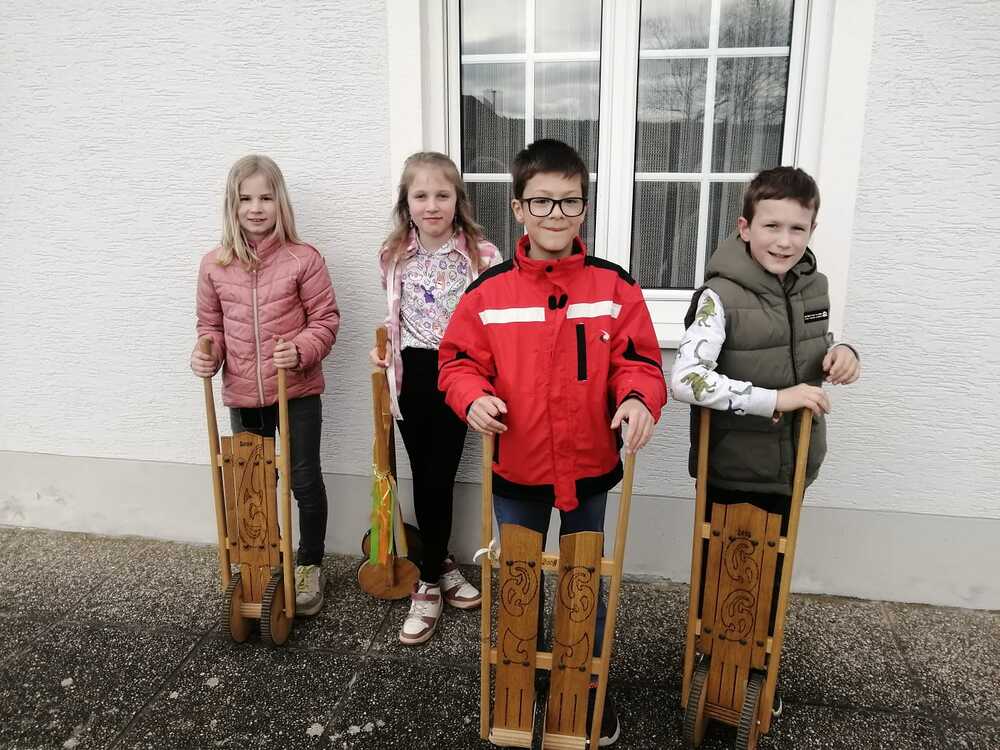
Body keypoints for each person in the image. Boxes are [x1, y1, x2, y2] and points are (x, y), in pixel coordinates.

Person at [439, 139, 667, 746]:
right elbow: (457, 363)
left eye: (570, 202)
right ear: (518, 208)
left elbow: (640, 363)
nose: (556, 214)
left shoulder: (614, 288)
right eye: (541, 201)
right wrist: (472, 396)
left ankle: (583, 681)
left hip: (590, 466)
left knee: (582, 579)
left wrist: (638, 399)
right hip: (517, 467)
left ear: (584, 207)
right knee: (518, 577)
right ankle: (518, 677)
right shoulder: (488, 293)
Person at [669, 165, 861, 715]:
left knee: (772, 571)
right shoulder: (719, 296)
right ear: (745, 227)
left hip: (792, 463)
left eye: (797, 228)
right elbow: (687, 379)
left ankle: (756, 666)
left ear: (812, 230)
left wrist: (842, 354)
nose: (784, 241)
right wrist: (776, 399)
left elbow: (810, 348)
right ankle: (711, 663)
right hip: (732, 464)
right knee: (723, 568)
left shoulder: (814, 287)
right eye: (771, 226)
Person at [191, 154, 340, 616]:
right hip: (243, 395)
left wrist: (300, 349)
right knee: (252, 484)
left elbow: (326, 321)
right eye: (245, 199)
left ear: (281, 202)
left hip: (295, 392)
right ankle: (262, 562)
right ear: (232, 205)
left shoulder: (303, 259)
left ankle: (309, 564)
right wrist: (207, 352)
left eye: (266, 198)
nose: (256, 208)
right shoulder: (214, 265)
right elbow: (210, 327)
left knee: (303, 480)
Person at [370, 152, 500, 646]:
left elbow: (490, 321)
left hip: (457, 373)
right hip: (411, 375)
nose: (431, 205)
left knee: (438, 475)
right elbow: (396, 315)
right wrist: (384, 349)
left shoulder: (480, 256)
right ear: (406, 202)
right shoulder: (394, 254)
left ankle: (426, 583)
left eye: (442, 195)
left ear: (457, 200)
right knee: (424, 473)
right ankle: (440, 565)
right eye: (420, 195)